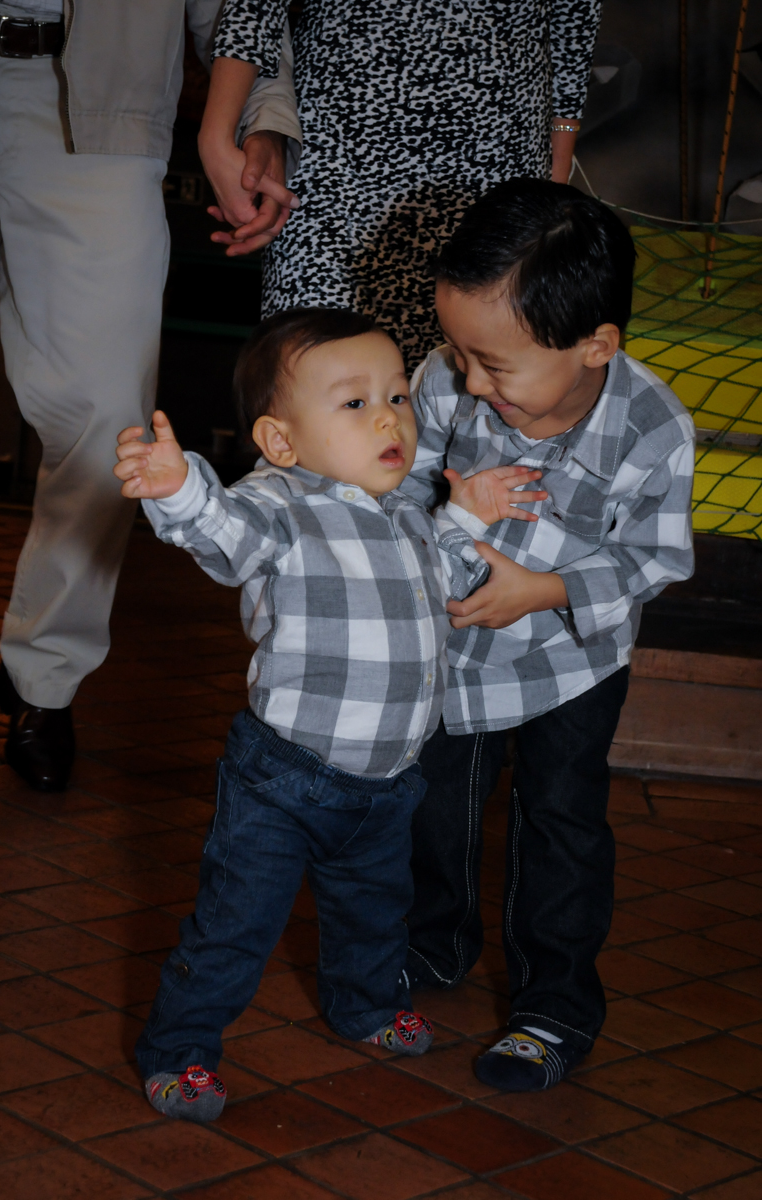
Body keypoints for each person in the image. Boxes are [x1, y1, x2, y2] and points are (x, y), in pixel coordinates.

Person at [114, 307, 545, 1122]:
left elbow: (450, 586)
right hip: (286, 779)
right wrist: (179, 489)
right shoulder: (282, 505)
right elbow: (224, 536)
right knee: (235, 928)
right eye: (353, 403)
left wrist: (467, 517)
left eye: (396, 396)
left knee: (373, 913)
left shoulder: (408, 511)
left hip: (387, 783)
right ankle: (179, 1052)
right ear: (281, 442)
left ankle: (366, 1008)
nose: (388, 415)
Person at [401, 180, 696, 1091]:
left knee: (561, 820)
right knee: (432, 803)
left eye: (496, 364)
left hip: (574, 662)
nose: (471, 381)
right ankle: (429, 946)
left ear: (594, 345)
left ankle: (552, 1005)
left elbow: (653, 559)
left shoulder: (654, 428)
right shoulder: (444, 380)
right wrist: (438, 513)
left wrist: (546, 589)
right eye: (458, 351)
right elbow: (396, 493)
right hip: (452, 652)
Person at [0, 0, 299, 791]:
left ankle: (47, 677)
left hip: (104, 113)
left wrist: (263, 121)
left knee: (109, 419)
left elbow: (237, 8)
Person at [199, 0, 603, 364]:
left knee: (478, 392)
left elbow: (575, 14)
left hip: (498, 146)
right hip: (340, 147)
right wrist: (216, 134)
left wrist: (557, 162)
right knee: (319, 380)